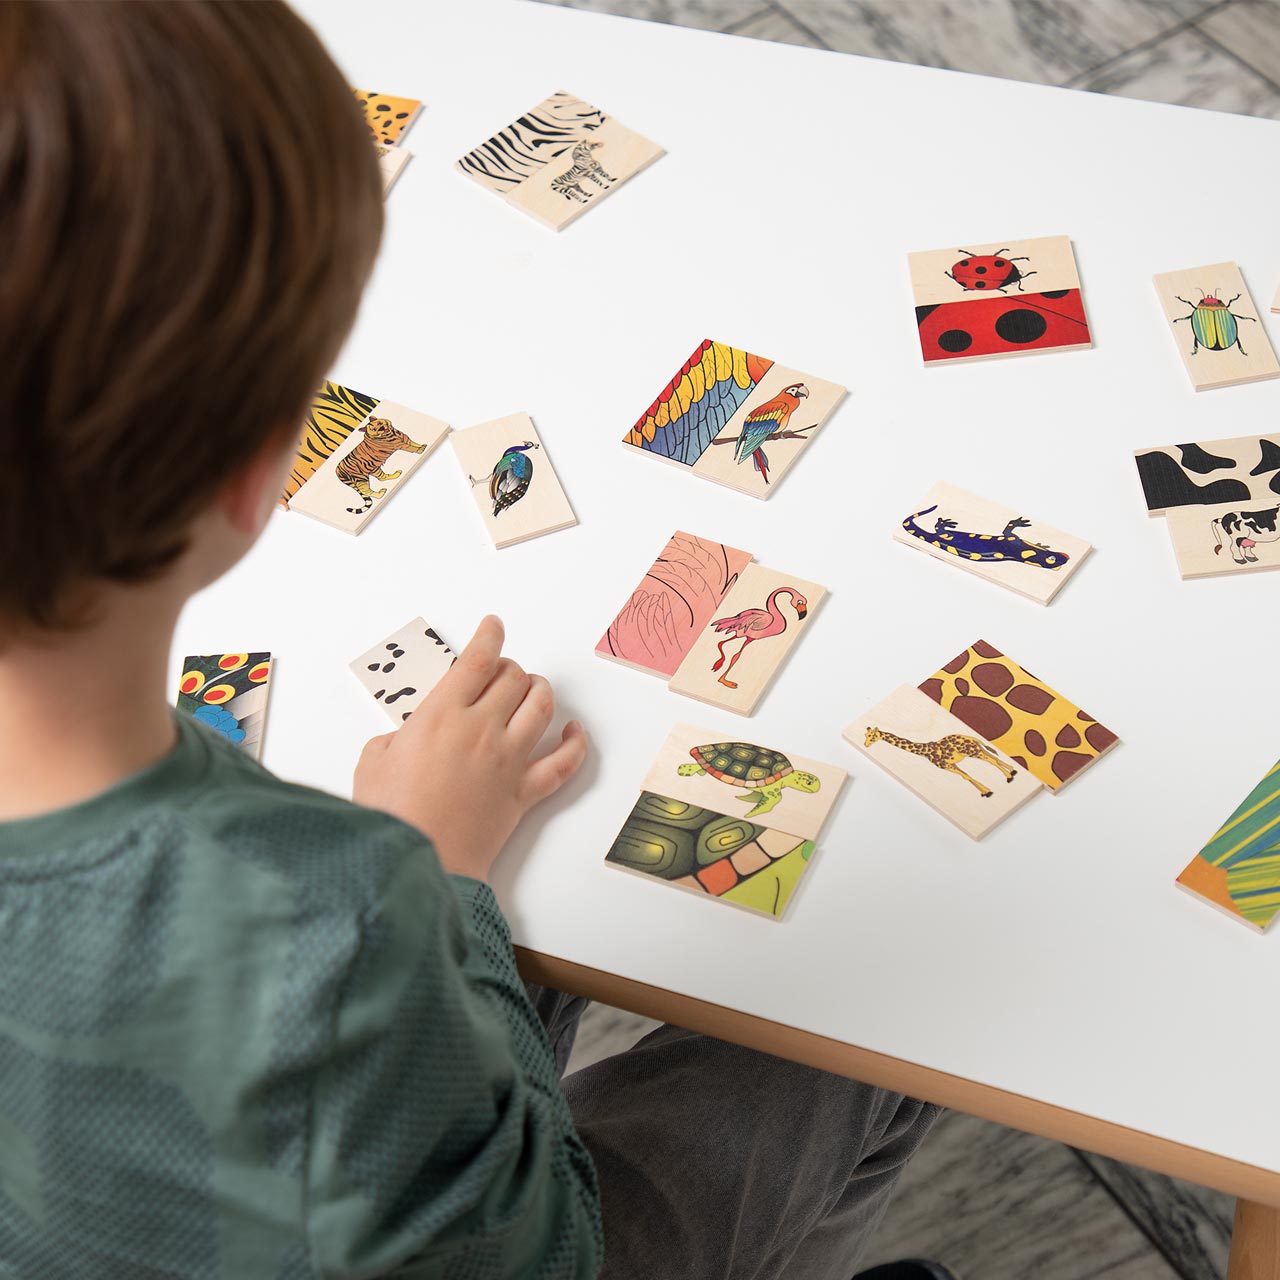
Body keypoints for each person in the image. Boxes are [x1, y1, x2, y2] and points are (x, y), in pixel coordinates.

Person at [0, 2, 950, 1277]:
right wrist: (437, 879)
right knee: (881, 1017)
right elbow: (536, 1252)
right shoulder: (334, 912)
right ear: (255, 472)